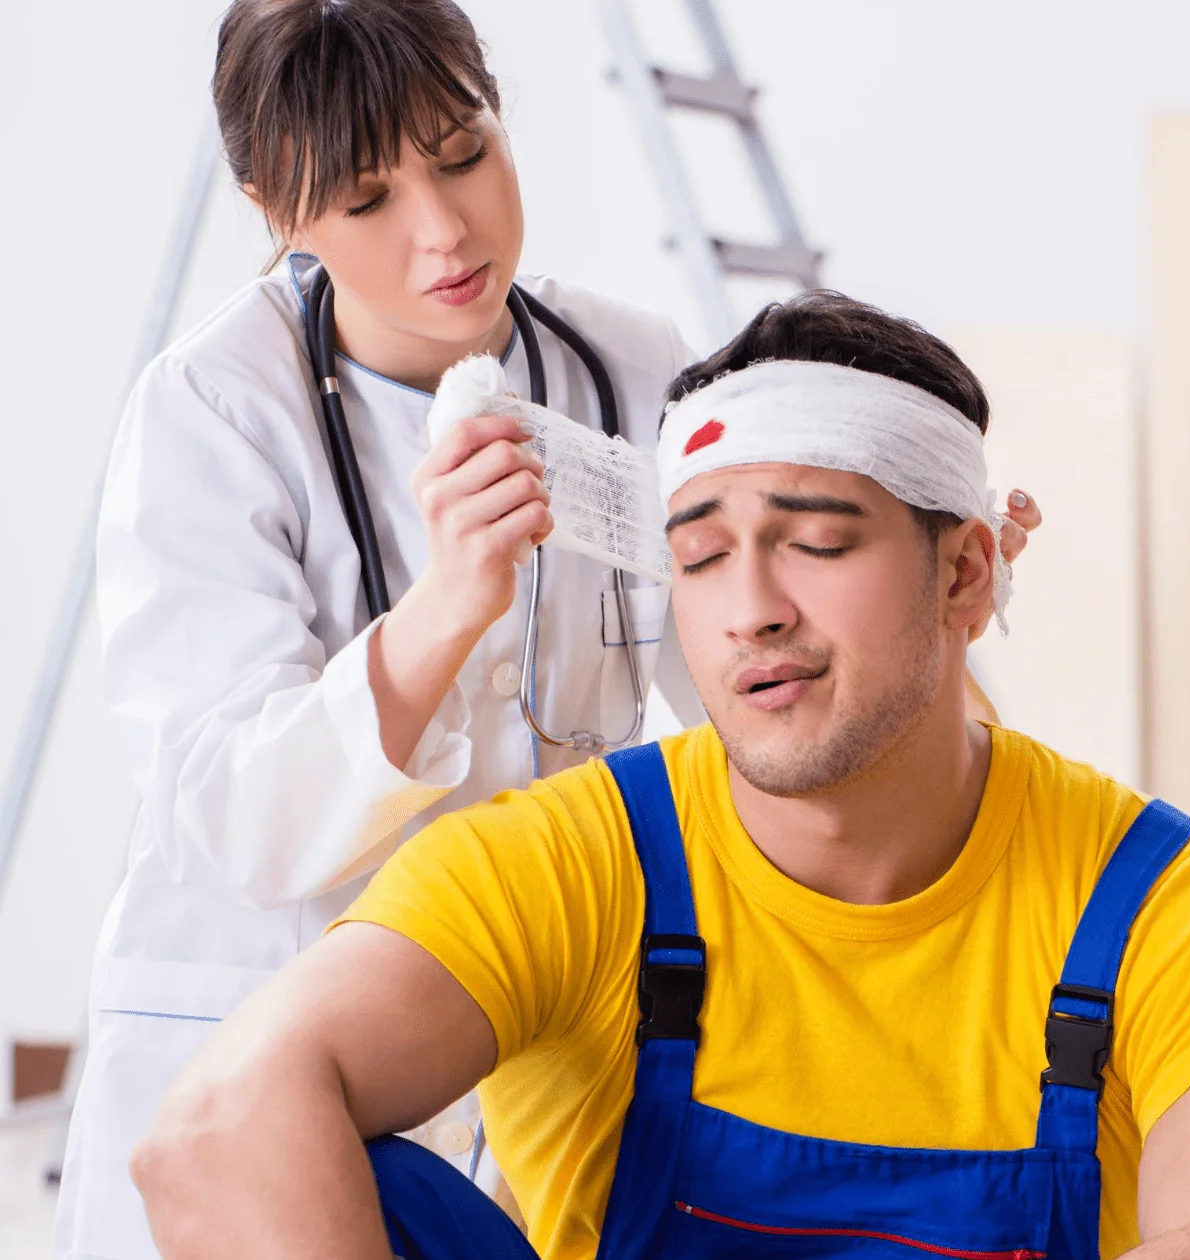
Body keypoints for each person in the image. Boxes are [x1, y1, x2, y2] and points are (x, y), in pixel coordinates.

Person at [57, 4, 1039, 1255]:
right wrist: (449, 608)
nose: (444, 231)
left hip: (518, 1040)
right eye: (365, 202)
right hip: (254, 1039)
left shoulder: (631, 371)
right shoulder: (211, 413)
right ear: (277, 212)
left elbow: (766, 685)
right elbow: (237, 823)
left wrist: (934, 604)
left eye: (463, 152)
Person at [129, 293, 1190, 1260]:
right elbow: (211, 1130)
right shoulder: (573, 864)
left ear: (966, 576)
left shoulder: (1176, 909)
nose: (748, 614)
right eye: (705, 557)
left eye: (817, 543)